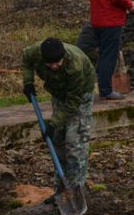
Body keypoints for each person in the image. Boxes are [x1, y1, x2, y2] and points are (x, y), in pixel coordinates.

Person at [21, 37, 96, 197]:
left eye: (58, 63)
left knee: (74, 145)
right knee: (57, 142)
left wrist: (53, 123)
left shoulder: (75, 65)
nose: (54, 66)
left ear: (63, 57)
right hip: (58, 93)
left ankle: (76, 191)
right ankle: (60, 192)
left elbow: (73, 101)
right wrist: (28, 82)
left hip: (79, 96)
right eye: (50, 64)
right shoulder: (35, 51)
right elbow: (26, 59)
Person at [86, 0, 134, 100]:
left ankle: (101, 87)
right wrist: (130, 5)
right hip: (111, 22)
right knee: (109, 56)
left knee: (103, 55)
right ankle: (106, 90)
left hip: (97, 21)